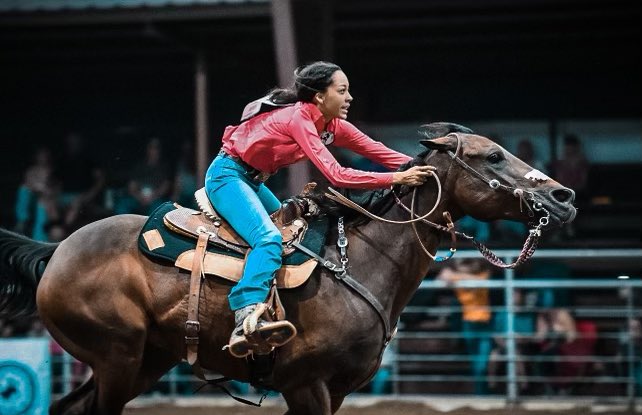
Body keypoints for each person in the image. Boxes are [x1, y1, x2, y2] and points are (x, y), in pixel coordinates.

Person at [205, 61, 434, 358]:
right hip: (227, 176)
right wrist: (397, 178)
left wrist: (429, 169)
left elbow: (382, 153)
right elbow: (337, 175)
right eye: (342, 91)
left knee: (294, 235)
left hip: (252, 181)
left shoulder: (331, 125)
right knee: (269, 239)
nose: (350, 97)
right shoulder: (299, 119)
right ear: (319, 97)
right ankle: (245, 316)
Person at [437, 258, 493, 395]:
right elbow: (440, 280)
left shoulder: (483, 274)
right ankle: (481, 394)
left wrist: (457, 275)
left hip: (484, 323)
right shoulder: (459, 278)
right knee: (476, 362)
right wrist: (453, 275)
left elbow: (480, 282)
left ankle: (482, 393)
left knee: (483, 363)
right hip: (469, 323)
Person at [487, 289, 536, 393]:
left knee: (516, 354)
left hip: (522, 347)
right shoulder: (501, 313)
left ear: (521, 296)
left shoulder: (527, 314)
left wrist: (519, 339)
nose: (513, 297)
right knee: (493, 355)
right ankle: (492, 385)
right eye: (511, 294)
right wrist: (504, 344)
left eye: (516, 294)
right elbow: (495, 334)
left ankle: (523, 385)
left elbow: (529, 337)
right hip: (503, 347)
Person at [115, 137, 172, 215]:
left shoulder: (164, 167)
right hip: (138, 198)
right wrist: (139, 197)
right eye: (151, 147)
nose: (154, 151)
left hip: (155, 200)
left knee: (161, 209)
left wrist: (152, 198)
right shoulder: (139, 166)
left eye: (156, 148)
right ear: (147, 149)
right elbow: (132, 187)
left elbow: (165, 187)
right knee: (122, 205)